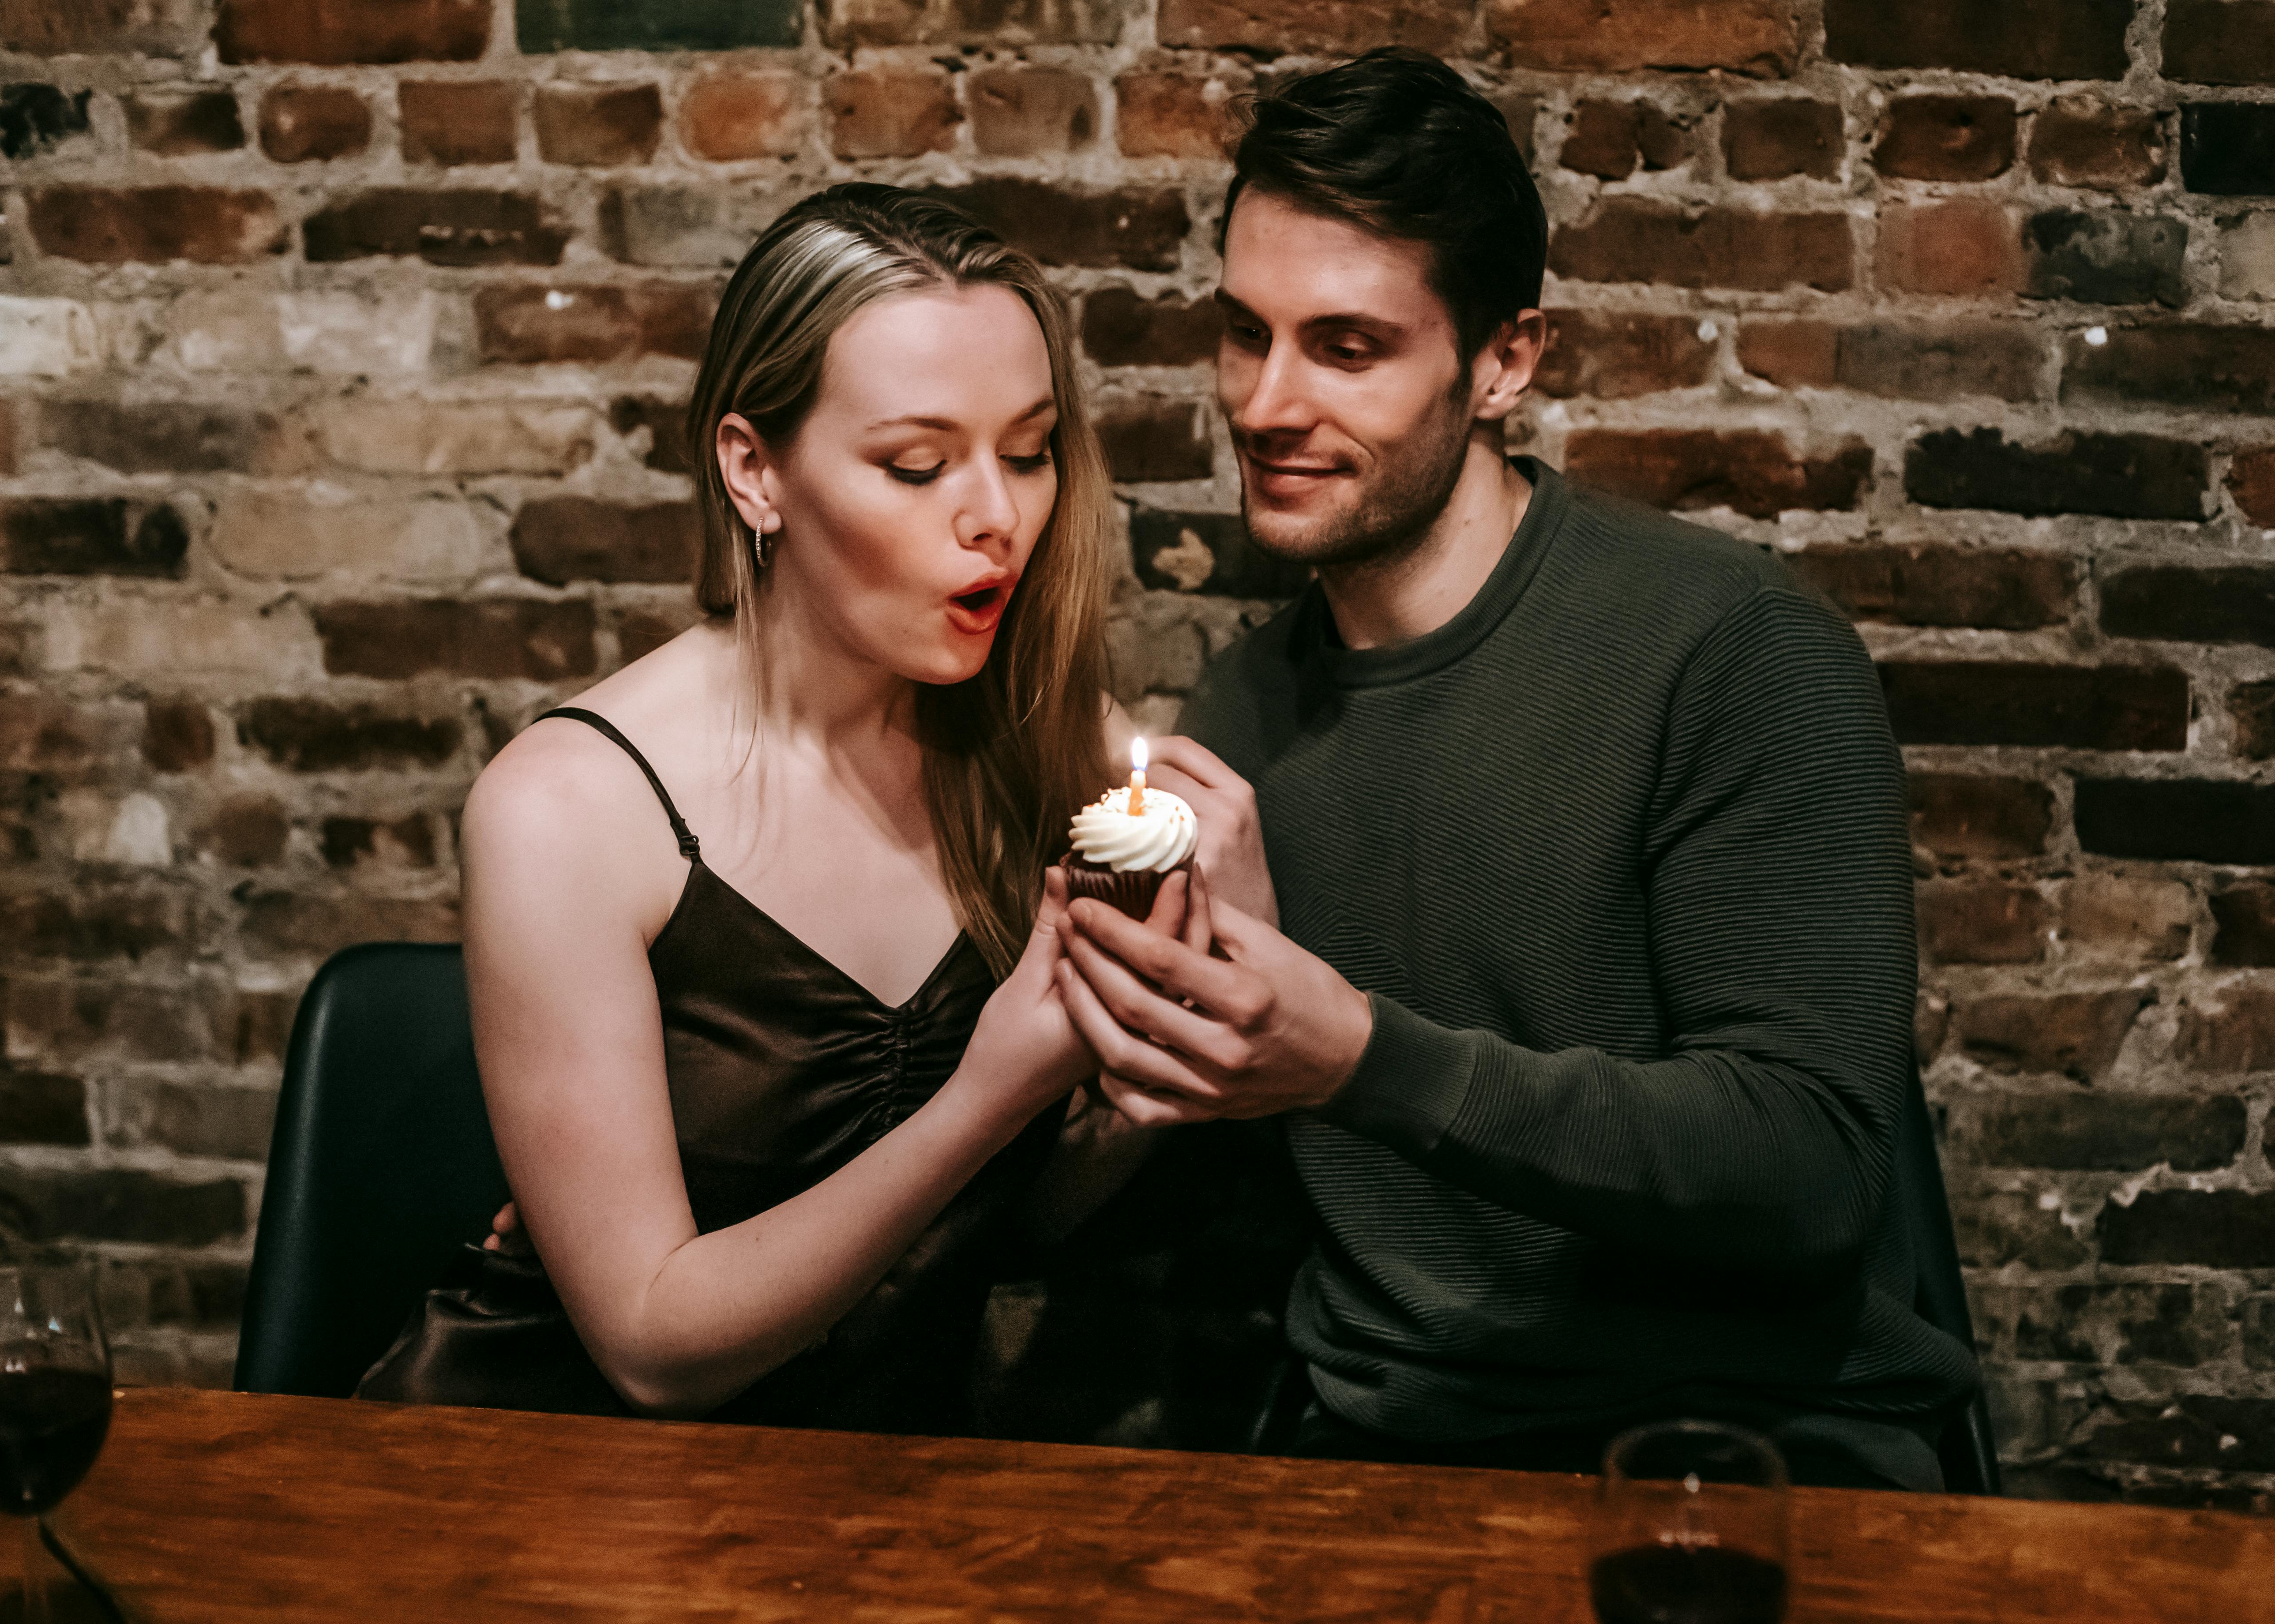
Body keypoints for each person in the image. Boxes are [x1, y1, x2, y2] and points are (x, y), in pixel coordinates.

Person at [1052, 51, 1982, 1489]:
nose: (1264, 403)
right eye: (1243, 334)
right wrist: (1136, 1045)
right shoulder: (1244, 710)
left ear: (1503, 362)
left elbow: (1806, 1168)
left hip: (1744, 1445)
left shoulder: (1729, 650)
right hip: (1377, 1439)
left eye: (1346, 348)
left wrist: (1361, 1055)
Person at [359, 184, 1175, 1433]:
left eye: (1027, 451)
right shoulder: (569, 807)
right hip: (546, 1466)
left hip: (870, 1486)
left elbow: (1015, 1225)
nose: (999, 517)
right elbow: (652, 1353)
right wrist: (990, 1093)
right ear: (754, 471)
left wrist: (1159, 1080)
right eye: (917, 465)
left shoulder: (1057, 758)